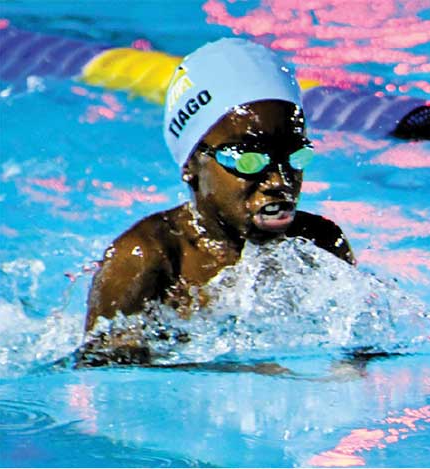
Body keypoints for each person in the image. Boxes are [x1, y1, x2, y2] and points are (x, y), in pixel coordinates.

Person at [78, 39, 354, 366]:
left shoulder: (320, 243)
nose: (280, 180)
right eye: (249, 159)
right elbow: (102, 383)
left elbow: (357, 356)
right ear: (191, 165)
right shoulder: (145, 258)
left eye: (294, 156)